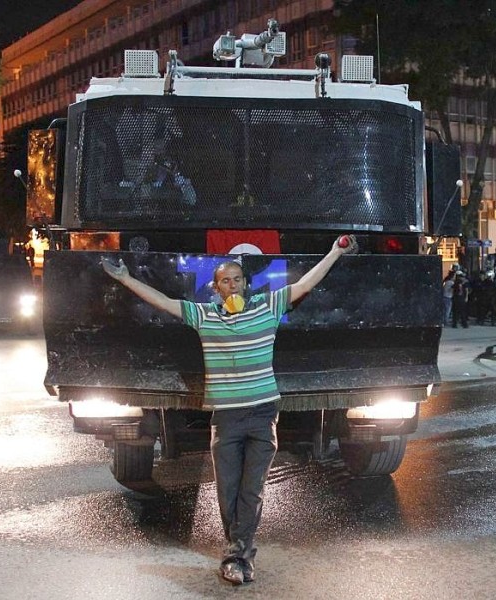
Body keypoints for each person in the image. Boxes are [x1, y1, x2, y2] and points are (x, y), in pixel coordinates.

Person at [101, 234, 358, 586]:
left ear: (247, 284)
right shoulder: (205, 317)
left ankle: (239, 554)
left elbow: (306, 282)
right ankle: (236, 549)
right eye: (225, 280)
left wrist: (334, 253)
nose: (232, 284)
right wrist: (125, 278)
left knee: (252, 490)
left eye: (237, 279)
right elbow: (164, 302)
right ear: (216, 288)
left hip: (263, 414)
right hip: (226, 418)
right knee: (228, 489)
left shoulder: (269, 307)